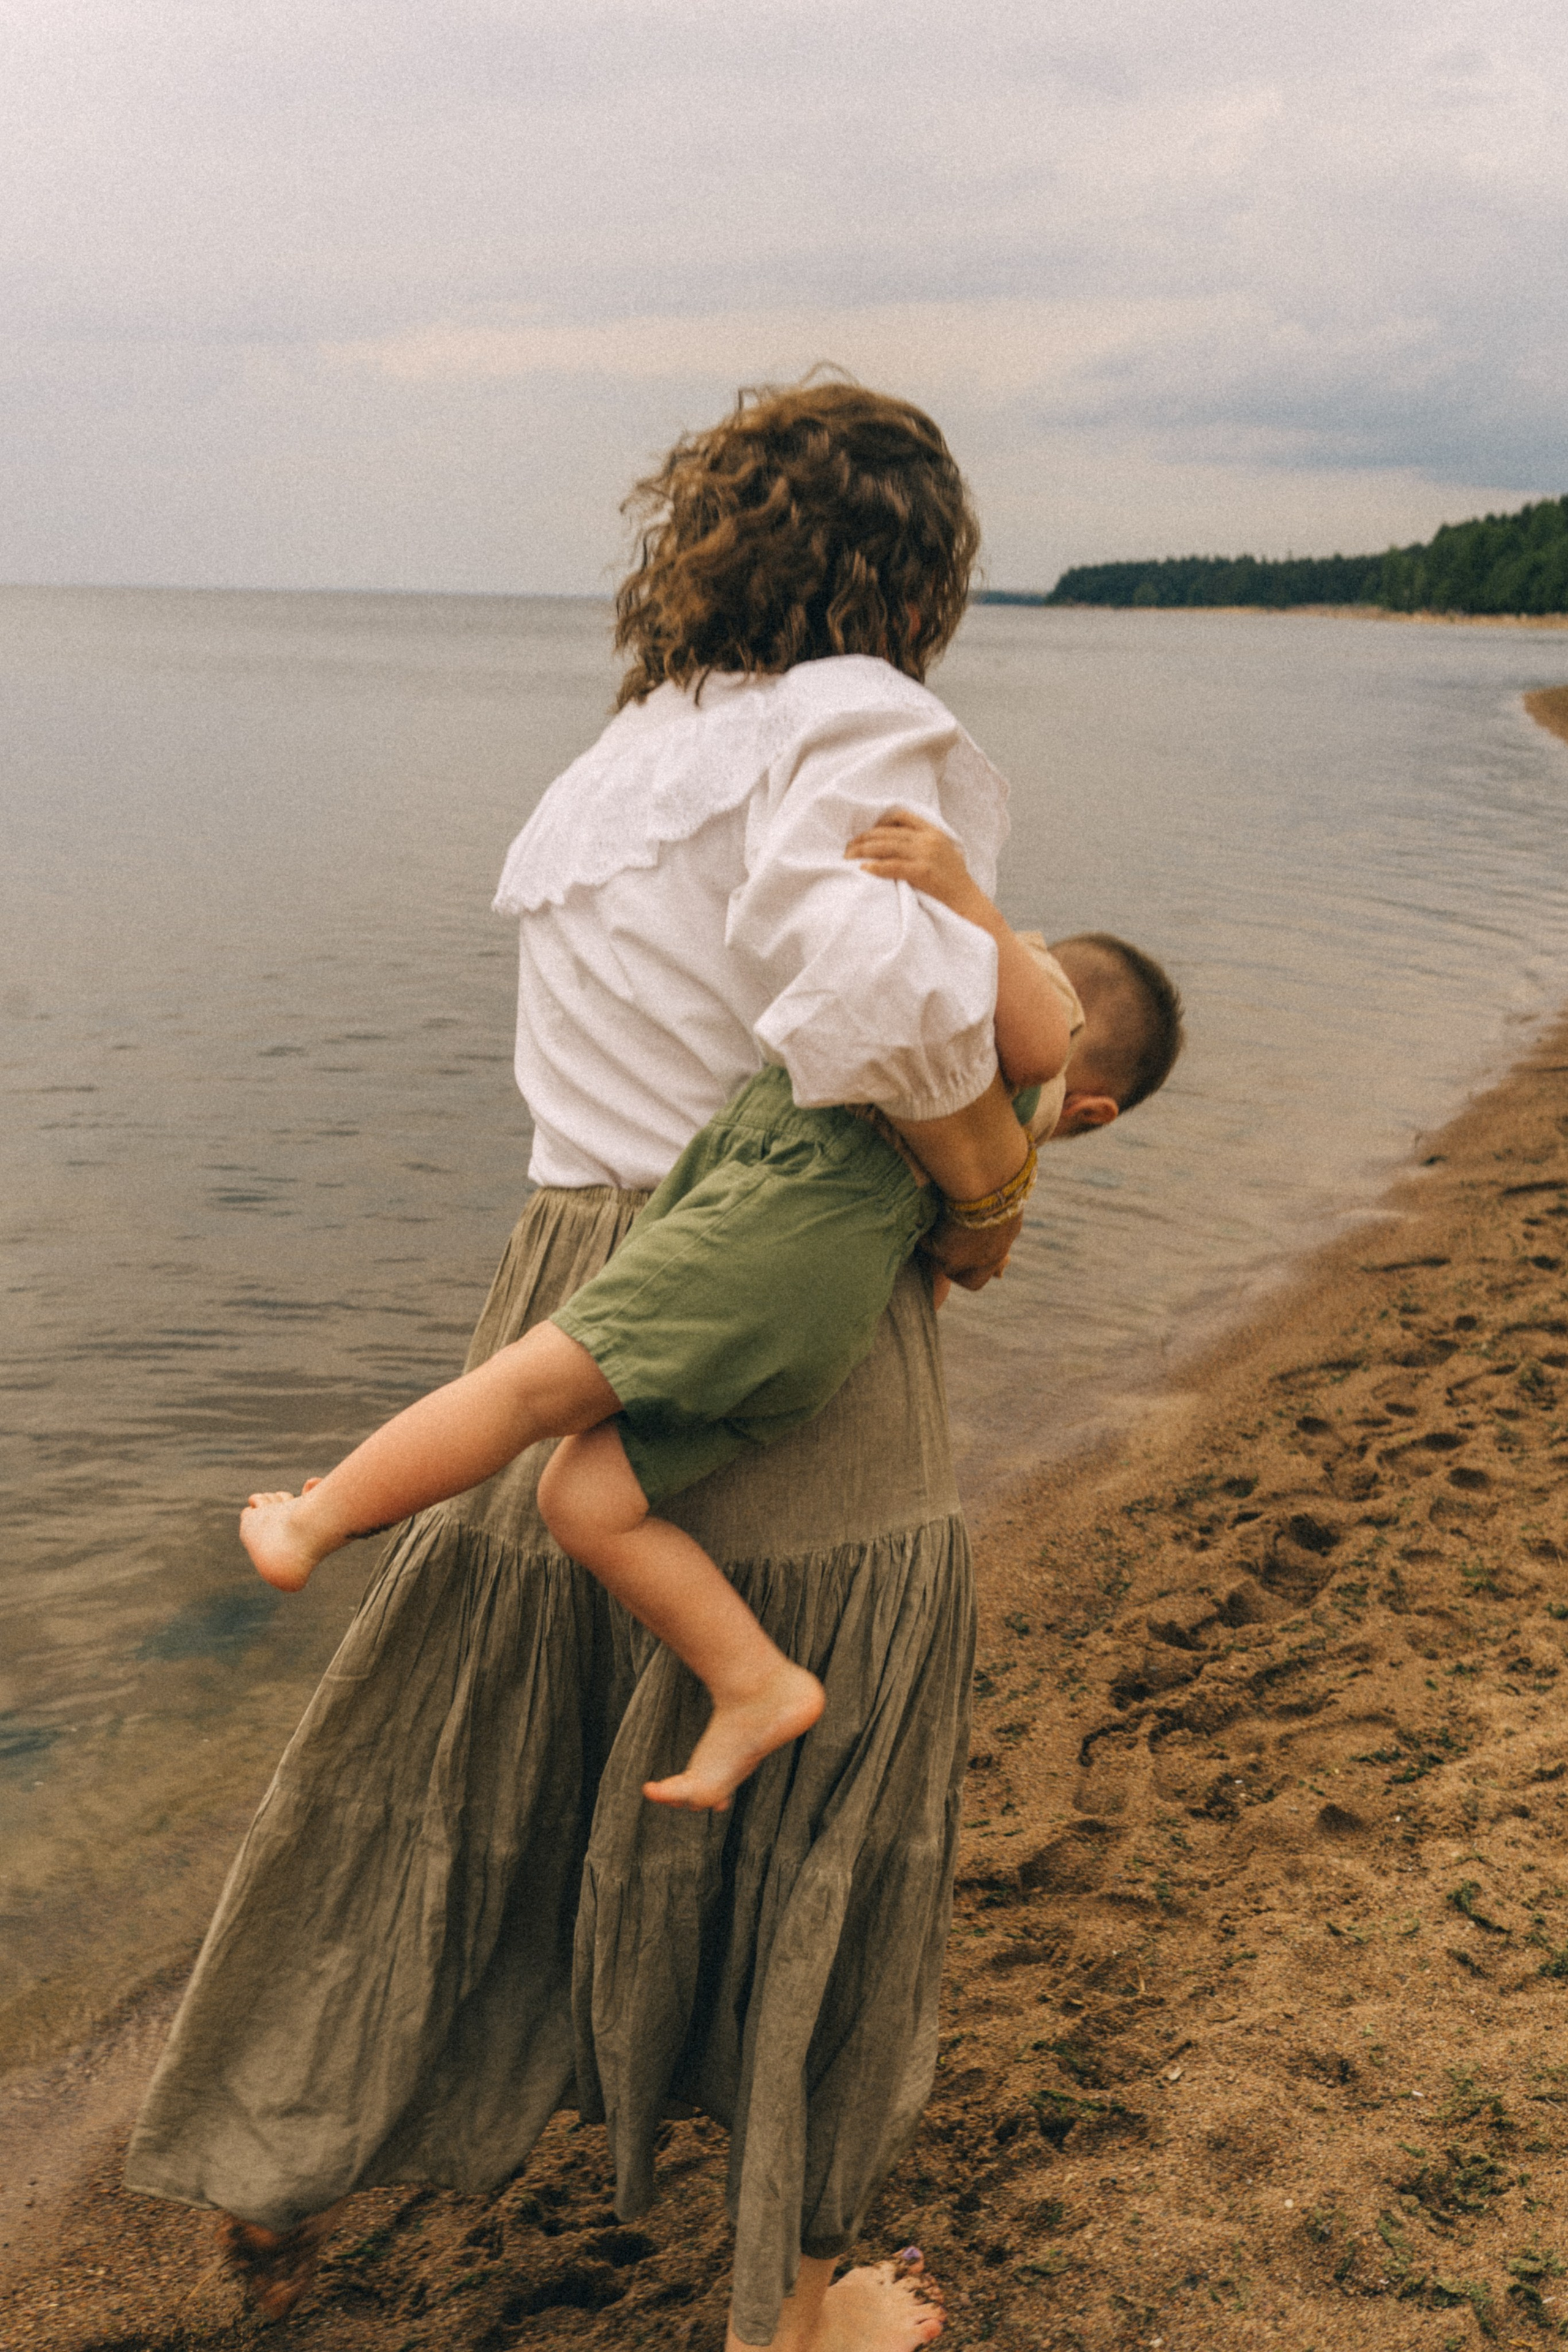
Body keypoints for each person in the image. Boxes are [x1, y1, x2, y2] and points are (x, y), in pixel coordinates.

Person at [126, 380, 1183, 2352]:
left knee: (473, 1742)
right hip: (768, 1280)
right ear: (915, 573)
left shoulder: (621, 761)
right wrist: (988, 1204)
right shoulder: (855, 719)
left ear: (700, 552)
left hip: (569, 1270)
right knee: (827, 1793)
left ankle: (283, 2144)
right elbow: (876, 996)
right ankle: (798, 2308)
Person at [236, 816, 1177, 1813]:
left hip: (779, 1233)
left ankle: (318, 1520)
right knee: (584, 1503)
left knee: (522, 1391)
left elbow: (1036, 1040)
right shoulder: (984, 1157)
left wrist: (970, 903)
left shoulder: (1019, 990)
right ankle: (753, 1680)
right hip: (813, 1304)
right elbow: (934, 1277)